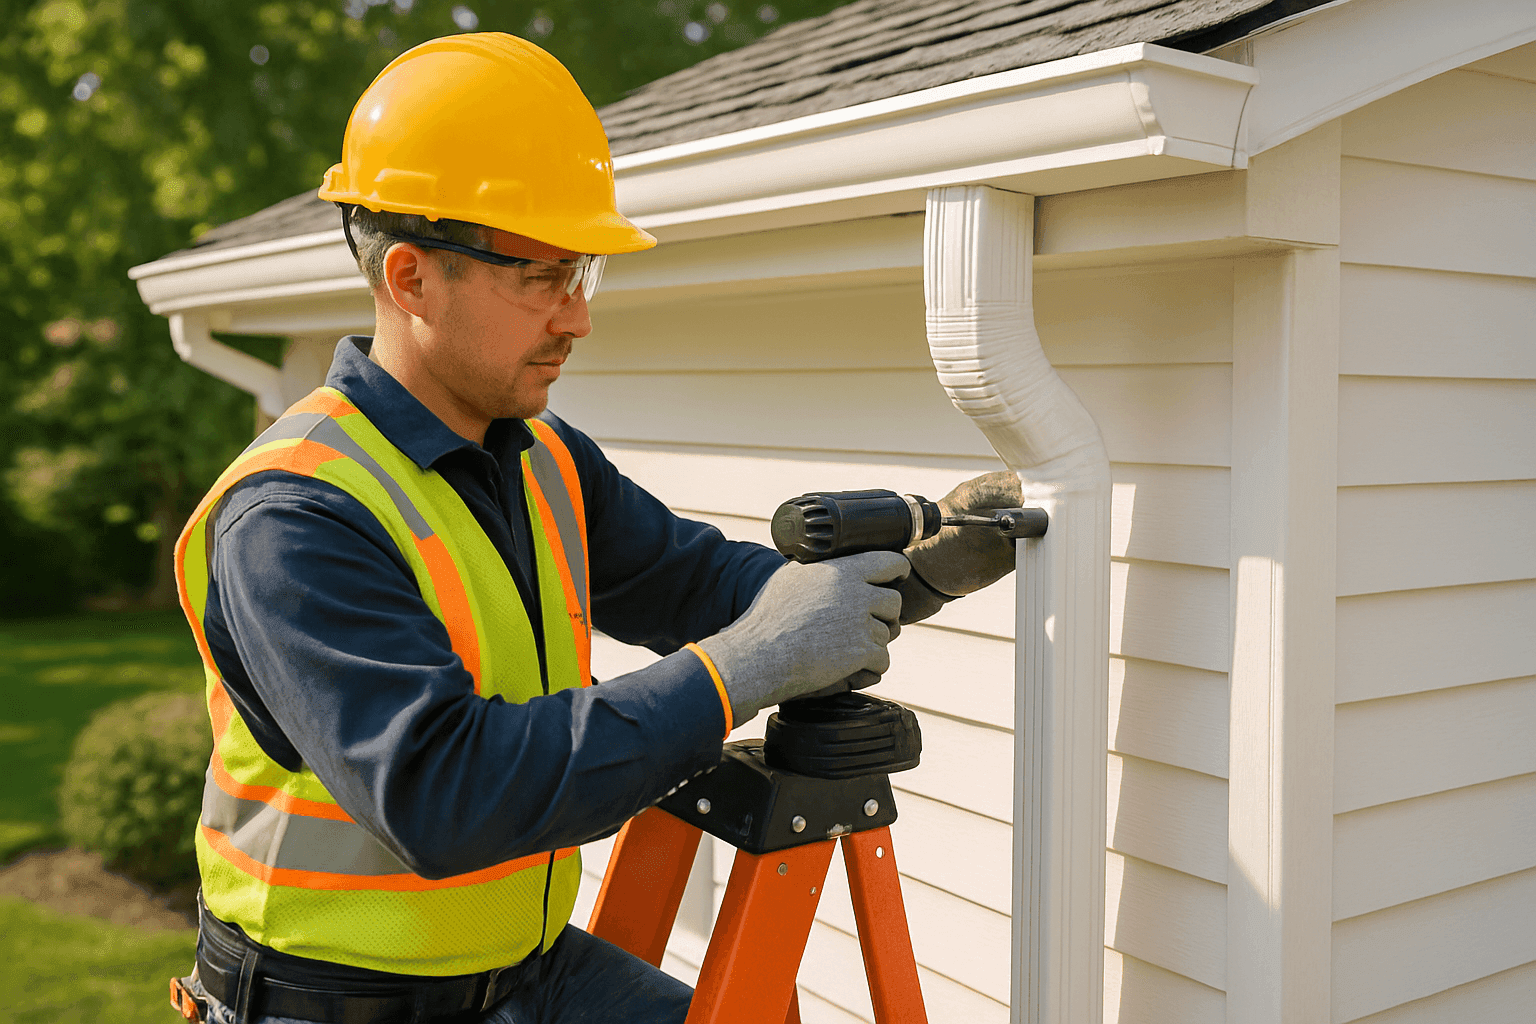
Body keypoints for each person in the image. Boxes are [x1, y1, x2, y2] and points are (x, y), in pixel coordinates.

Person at [168, 31, 1022, 1024]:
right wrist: (745, 665)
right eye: (542, 276)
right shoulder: (298, 513)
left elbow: (701, 584)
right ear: (409, 278)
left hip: (526, 971)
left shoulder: (543, 458)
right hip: (328, 1005)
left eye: (584, 275)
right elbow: (446, 795)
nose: (576, 317)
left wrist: (913, 575)